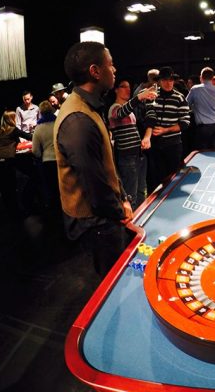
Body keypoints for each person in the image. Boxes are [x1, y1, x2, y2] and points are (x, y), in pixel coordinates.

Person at [54, 41, 133, 277]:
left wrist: (123, 197)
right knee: (111, 286)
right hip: (96, 224)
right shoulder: (77, 119)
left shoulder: (89, 107)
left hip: (102, 218)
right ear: (95, 71)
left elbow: (106, 167)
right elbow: (95, 186)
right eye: (110, 64)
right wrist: (120, 211)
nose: (114, 69)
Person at [108, 78, 157, 209]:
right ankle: (133, 220)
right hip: (127, 158)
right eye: (124, 86)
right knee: (131, 196)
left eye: (129, 87)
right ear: (116, 90)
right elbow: (120, 113)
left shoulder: (129, 110)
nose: (128, 89)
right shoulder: (114, 108)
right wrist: (139, 97)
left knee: (141, 192)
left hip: (138, 155)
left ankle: (141, 218)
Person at [142, 66, 190, 190]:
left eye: (170, 80)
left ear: (173, 81)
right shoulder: (153, 96)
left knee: (173, 177)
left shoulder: (180, 98)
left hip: (173, 144)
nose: (168, 83)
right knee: (155, 178)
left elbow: (185, 122)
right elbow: (149, 116)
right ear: (159, 81)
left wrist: (165, 130)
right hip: (155, 144)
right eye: (164, 80)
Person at [0, 110, 32, 218]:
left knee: (5, 188)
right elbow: (29, 137)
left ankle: (11, 213)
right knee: (19, 182)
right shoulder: (14, 130)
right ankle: (20, 211)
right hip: (7, 161)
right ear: (11, 119)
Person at [186, 67, 215, 149]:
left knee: (203, 153)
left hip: (203, 128)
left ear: (201, 77)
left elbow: (186, 105)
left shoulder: (195, 89)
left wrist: (194, 107)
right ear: (212, 78)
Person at [32, 100, 60, 213]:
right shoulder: (58, 123)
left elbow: (35, 151)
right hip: (61, 159)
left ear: (41, 112)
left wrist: (41, 154)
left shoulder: (38, 128)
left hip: (47, 162)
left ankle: (55, 213)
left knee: (52, 189)